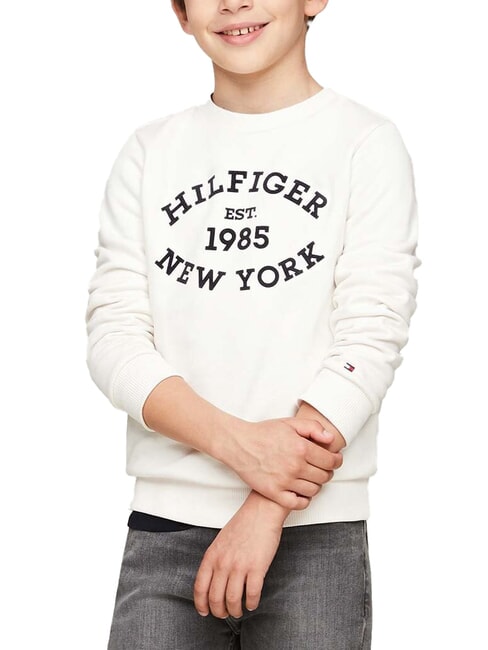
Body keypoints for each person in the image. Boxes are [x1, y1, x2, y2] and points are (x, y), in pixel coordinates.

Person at [85, 0, 420, 647]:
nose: (233, 2)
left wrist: (269, 503)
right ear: (181, 13)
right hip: (165, 527)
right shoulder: (149, 152)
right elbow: (114, 339)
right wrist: (242, 447)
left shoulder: (365, 143)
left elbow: (371, 336)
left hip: (315, 532)